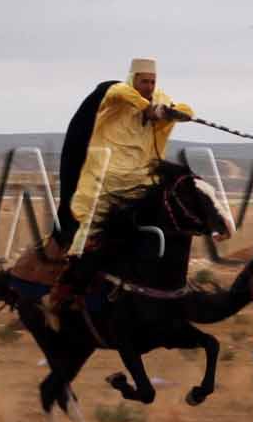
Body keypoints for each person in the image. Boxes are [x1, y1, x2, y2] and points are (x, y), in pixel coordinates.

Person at [46, 60, 194, 322]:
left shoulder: (160, 98)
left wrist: (175, 112)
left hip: (142, 179)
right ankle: (64, 291)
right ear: (133, 79)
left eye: (152, 82)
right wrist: (147, 107)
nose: (149, 87)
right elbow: (118, 92)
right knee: (89, 237)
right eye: (143, 81)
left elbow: (185, 108)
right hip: (105, 177)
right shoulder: (116, 95)